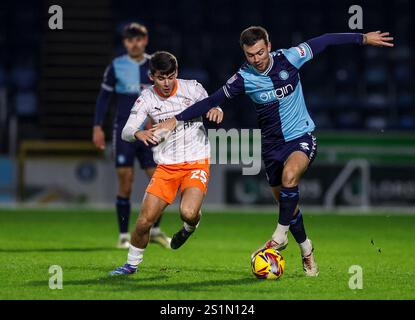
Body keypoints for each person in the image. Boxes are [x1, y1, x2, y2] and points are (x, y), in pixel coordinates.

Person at [153, 27, 394, 276]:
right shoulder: (243, 78)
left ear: (268, 45)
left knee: (290, 177)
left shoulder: (290, 57)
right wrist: (176, 119)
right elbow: (211, 101)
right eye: (250, 55)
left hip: (301, 137)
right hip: (271, 148)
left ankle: (279, 237)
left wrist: (363, 38)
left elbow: (325, 41)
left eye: (259, 52)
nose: (256, 59)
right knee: (289, 205)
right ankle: (306, 249)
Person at [109, 51, 224, 275]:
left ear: (177, 73)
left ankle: (190, 226)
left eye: (170, 76)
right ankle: (131, 265)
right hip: (167, 167)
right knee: (144, 222)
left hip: (196, 161)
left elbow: (212, 104)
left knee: (188, 213)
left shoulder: (192, 88)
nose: (166, 82)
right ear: (152, 76)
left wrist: (216, 111)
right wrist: (139, 134)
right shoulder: (147, 98)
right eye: (161, 77)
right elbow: (127, 130)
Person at [92, 23, 171, 249]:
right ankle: (124, 235)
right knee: (126, 182)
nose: (134, 43)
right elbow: (104, 99)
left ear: (145, 40)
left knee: (160, 182)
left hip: (152, 133)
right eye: (129, 40)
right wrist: (97, 127)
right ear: (125, 43)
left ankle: (154, 230)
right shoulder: (116, 66)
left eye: (138, 39)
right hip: (125, 134)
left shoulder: (155, 64)